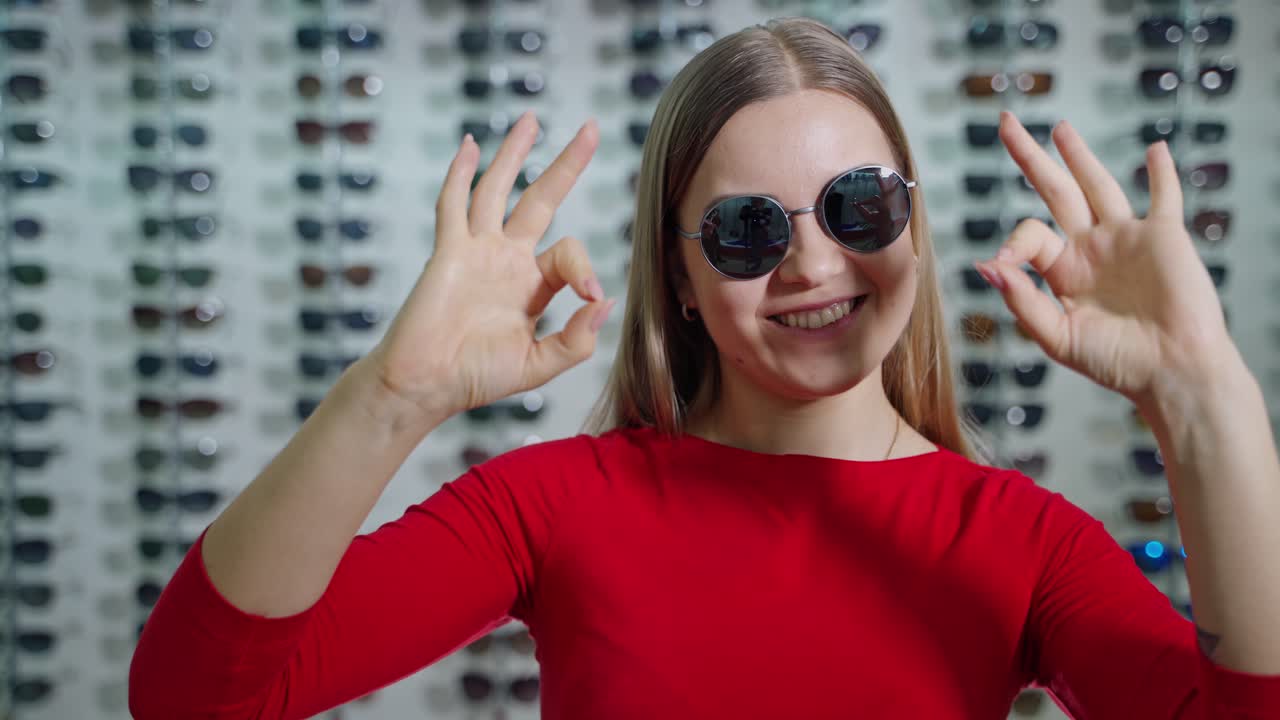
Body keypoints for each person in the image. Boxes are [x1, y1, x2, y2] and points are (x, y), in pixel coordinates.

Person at [129, 17, 1280, 720]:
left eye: (857, 206)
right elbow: (196, 698)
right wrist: (394, 392)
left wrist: (1202, 397)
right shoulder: (554, 506)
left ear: (912, 228)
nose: (812, 264)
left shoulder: (1022, 544)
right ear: (679, 277)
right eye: (745, 231)